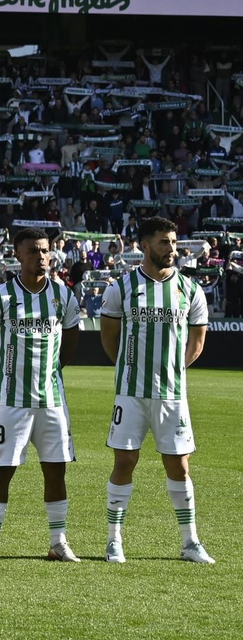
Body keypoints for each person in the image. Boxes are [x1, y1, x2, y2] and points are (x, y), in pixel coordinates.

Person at [99, 216, 213, 564]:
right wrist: (132, 366)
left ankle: (190, 542)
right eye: (164, 242)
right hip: (130, 393)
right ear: (145, 246)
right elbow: (109, 340)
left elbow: (197, 343)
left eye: (174, 242)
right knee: (125, 461)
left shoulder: (190, 290)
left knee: (179, 466)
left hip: (172, 395)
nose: (172, 249)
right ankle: (114, 540)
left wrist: (173, 370)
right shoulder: (121, 288)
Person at [0, 227, 81, 563]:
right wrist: (4, 380)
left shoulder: (63, 296)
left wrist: (51, 373)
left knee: (56, 470)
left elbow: (70, 342)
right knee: (2, 470)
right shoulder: (1, 296)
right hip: (11, 402)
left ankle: (58, 542)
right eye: (33, 251)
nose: (41, 257)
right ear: (17, 255)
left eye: (45, 251)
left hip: (52, 402)